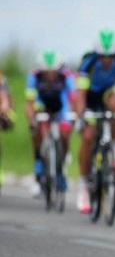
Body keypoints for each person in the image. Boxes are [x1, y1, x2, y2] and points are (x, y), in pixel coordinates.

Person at [74, 29, 115, 213]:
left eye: (110, 56)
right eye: (103, 57)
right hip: (91, 98)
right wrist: (80, 117)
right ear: (97, 55)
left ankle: (114, 146)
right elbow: (80, 96)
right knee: (88, 137)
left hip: (108, 94)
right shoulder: (88, 63)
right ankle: (83, 185)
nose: (107, 60)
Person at [25, 50, 75, 196]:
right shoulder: (34, 77)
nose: (50, 75)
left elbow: (73, 98)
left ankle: (61, 168)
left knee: (65, 133)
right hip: (42, 103)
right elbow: (29, 103)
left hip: (61, 103)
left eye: (53, 72)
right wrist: (31, 120)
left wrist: (73, 116)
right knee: (37, 128)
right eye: (47, 72)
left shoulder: (66, 76)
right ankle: (39, 165)